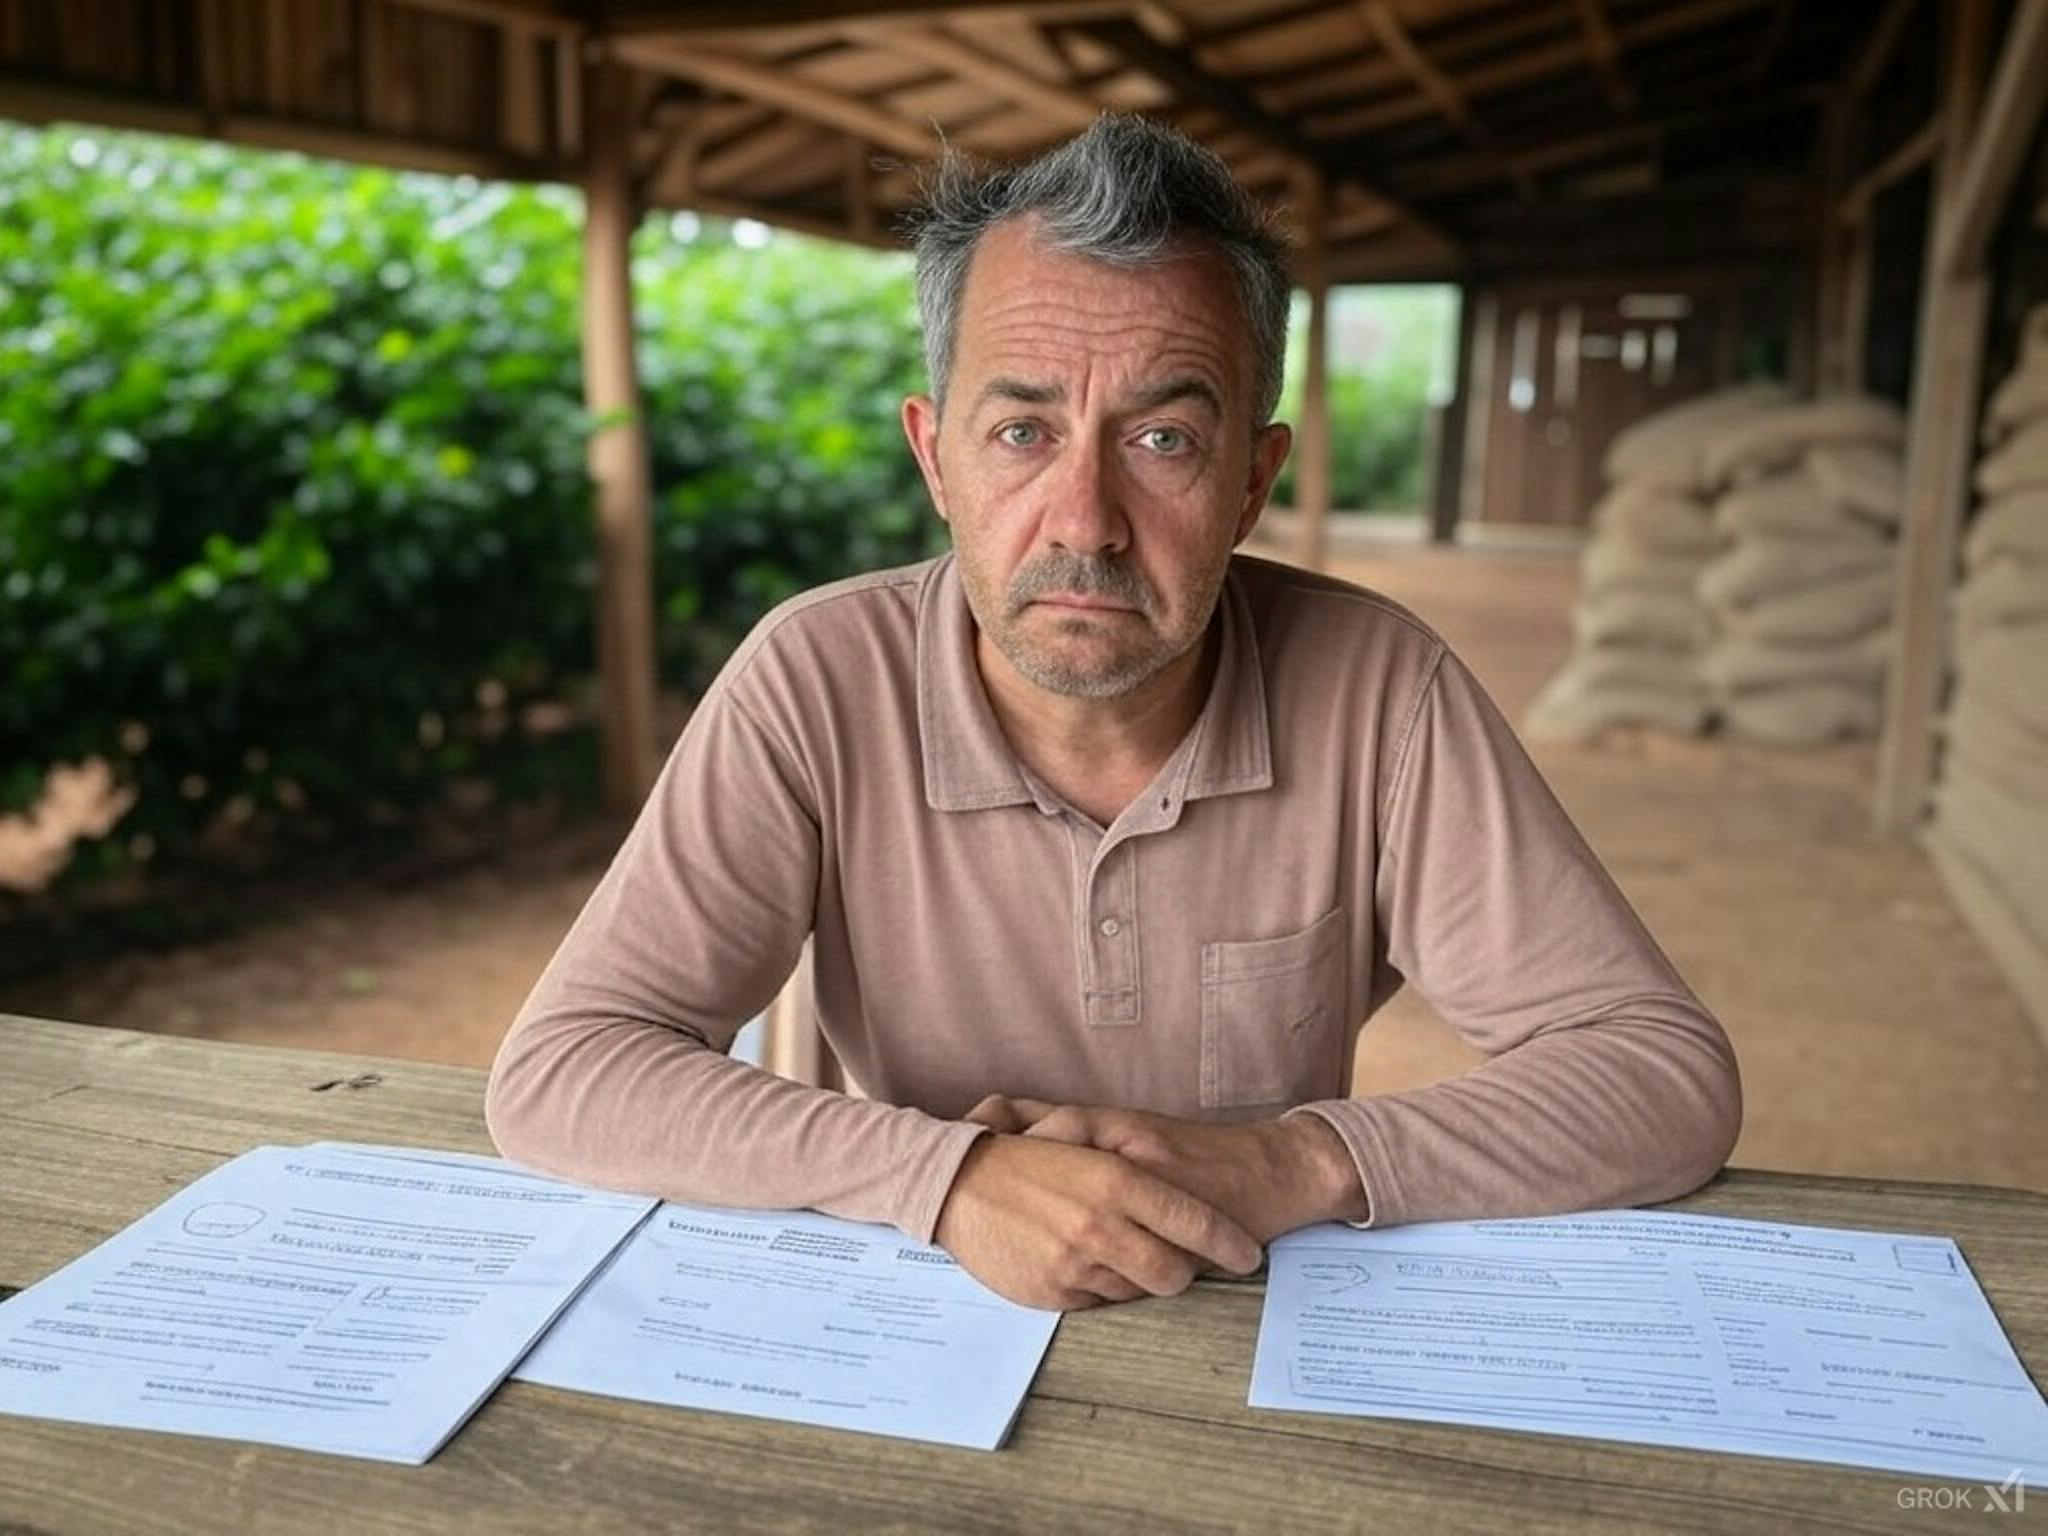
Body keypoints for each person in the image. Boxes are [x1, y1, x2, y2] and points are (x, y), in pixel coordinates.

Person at [486, 116, 1742, 1312]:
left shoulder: (1378, 690)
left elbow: (1657, 1075)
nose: (1082, 520)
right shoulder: (816, 680)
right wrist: (947, 1178)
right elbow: (564, 1071)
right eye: (1021, 429)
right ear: (935, 459)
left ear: (1252, 481)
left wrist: (1288, 1163)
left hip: (1247, 1335)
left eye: (1160, 440)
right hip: (919, 1324)